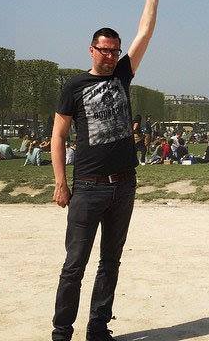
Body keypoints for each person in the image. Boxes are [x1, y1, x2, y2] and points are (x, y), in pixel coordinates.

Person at [50, 22, 154, 341]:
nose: (109, 56)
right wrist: (60, 182)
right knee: (74, 265)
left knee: (110, 261)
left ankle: (97, 328)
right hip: (88, 186)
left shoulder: (122, 76)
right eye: (104, 50)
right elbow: (58, 135)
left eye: (114, 51)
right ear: (91, 50)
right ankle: (62, 332)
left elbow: (145, 32)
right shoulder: (74, 86)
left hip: (124, 185)